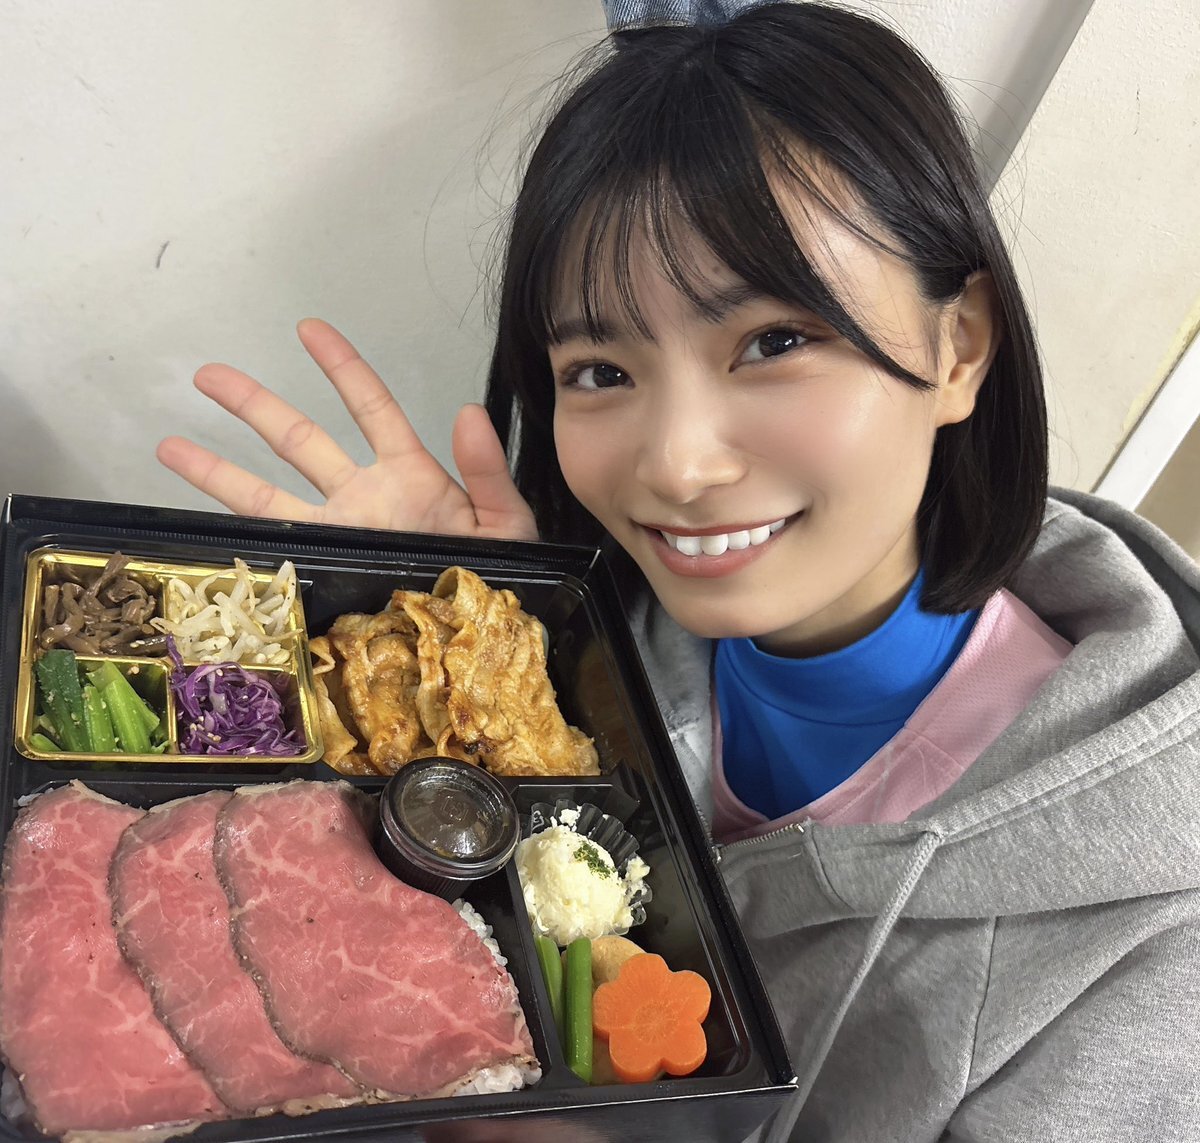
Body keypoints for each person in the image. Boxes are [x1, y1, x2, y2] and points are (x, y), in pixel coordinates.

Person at [157, 4, 1200, 1140]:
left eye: (774, 342)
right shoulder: (616, 634)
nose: (676, 464)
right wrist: (503, 646)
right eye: (601, 369)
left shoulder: (1155, 962)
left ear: (959, 345)